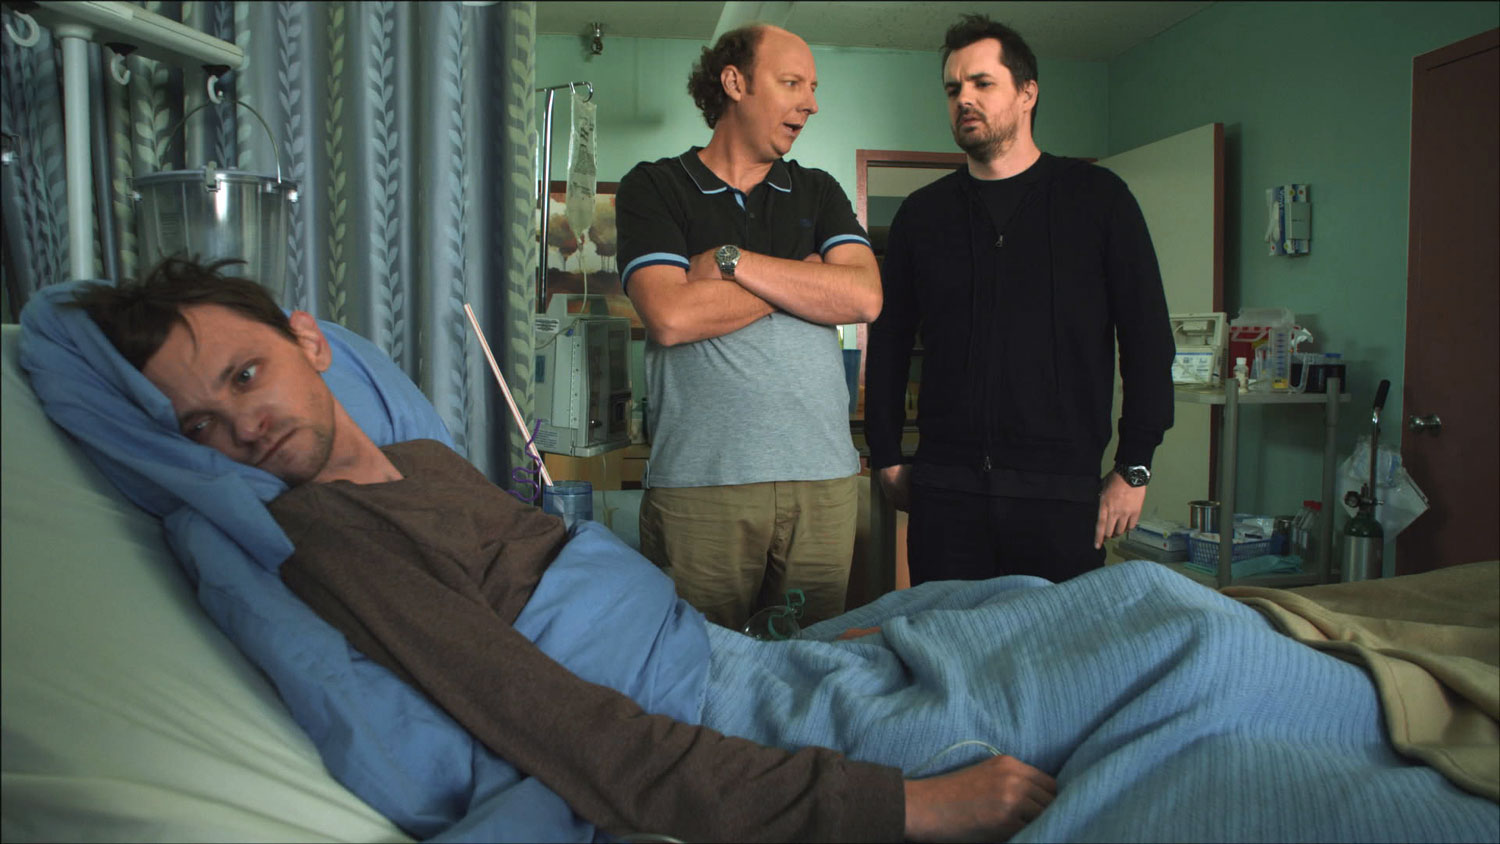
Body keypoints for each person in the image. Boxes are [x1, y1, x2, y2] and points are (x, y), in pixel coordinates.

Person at [66, 257, 1052, 843]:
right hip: (717, 718)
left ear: (311, 344)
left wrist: (811, 648)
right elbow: (570, 728)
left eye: (246, 375)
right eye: (199, 425)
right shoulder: (331, 542)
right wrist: (904, 809)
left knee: (1026, 604)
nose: (240, 428)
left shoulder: (419, 461)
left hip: (734, 664)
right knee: (1131, 645)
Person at [865, 15, 1176, 586]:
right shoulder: (923, 216)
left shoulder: (1099, 201)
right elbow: (888, 341)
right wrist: (884, 453)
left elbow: (1148, 340)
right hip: (947, 494)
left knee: (1058, 644)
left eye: (982, 83)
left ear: (1027, 92)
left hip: (1060, 497)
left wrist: (1135, 464)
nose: (964, 99)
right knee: (945, 638)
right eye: (953, 88)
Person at [615, 24, 882, 630]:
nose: (811, 103)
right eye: (792, 83)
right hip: (702, 485)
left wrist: (732, 263)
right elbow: (671, 316)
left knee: (813, 663)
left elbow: (864, 296)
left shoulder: (818, 190)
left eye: (813, 87)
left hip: (824, 484)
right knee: (701, 667)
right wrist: (806, 281)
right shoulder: (654, 186)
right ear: (735, 83)